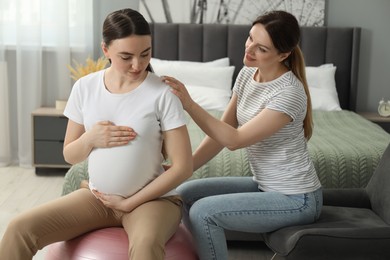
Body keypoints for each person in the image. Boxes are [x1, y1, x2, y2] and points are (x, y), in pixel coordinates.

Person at [0, 8, 192, 260]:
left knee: (145, 246)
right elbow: (69, 154)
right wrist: (91, 139)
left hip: (151, 201)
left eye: (145, 54)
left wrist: (129, 203)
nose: (138, 64)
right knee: (19, 229)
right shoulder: (85, 87)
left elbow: (183, 167)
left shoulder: (163, 93)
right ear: (106, 50)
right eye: (126, 56)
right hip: (97, 199)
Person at [162, 10, 323, 260]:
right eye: (250, 38)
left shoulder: (289, 93)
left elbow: (234, 140)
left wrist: (189, 104)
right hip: (265, 186)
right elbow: (221, 131)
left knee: (204, 212)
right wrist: (182, 169)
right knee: (184, 193)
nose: (249, 49)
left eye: (261, 49)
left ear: (283, 54)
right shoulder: (248, 73)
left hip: (297, 198)